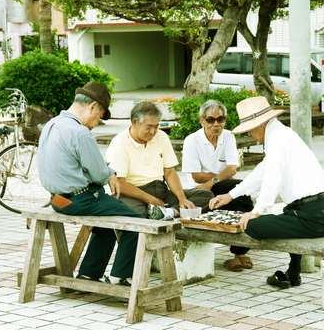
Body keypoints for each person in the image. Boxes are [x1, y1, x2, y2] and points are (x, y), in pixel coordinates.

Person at [209, 96, 324, 289]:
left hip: (314, 217)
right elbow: (261, 172)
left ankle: (293, 272)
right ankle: (293, 272)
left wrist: (256, 212)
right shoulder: (281, 134)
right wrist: (231, 195)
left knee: (253, 226)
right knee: (288, 215)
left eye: (250, 130)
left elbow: (272, 180)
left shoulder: (278, 139)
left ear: (260, 125)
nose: (252, 135)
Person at [37, 81, 139, 286]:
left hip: (57, 200)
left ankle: (89, 274)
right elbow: (99, 173)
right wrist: (110, 174)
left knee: (105, 225)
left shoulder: (52, 124)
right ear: (92, 106)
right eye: (100, 114)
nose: (98, 121)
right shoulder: (79, 132)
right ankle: (121, 276)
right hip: (79, 200)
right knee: (135, 220)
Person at [106, 101, 213, 220]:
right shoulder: (119, 142)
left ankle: (170, 212)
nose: (153, 132)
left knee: (206, 196)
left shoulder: (161, 136)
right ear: (135, 122)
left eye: (156, 126)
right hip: (133, 193)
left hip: (160, 190)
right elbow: (120, 183)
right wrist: (150, 199)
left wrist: (182, 199)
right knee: (135, 215)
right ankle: (161, 212)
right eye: (148, 127)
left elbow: (169, 172)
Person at [181, 100, 255, 272]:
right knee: (238, 189)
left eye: (220, 119)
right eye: (211, 120)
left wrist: (213, 180)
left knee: (241, 192)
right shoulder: (192, 140)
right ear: (202, 120)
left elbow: (233, 168)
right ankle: (239, 252)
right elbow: (196, 176)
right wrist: (220, 175)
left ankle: (239, 253)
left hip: (218, 186)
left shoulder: (228, 136)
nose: (216, 124)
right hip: (197, 190)